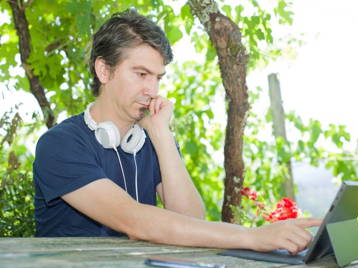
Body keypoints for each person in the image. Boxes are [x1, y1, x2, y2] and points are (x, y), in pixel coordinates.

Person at [33, 9, 321, 254]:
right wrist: (251, 236)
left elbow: (191, 219)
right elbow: (133, 220)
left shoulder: (150, 140)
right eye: (141, 74)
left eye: (158, 78)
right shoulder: (59, 145)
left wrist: (161, 135)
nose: (152, 90)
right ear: (104, 71)